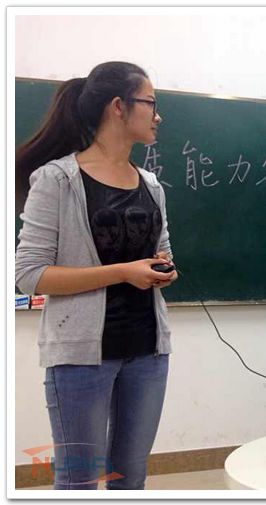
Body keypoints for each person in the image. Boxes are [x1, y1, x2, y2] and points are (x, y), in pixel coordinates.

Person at [15, 62, 177, 490]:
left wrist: (163, 270)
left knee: (131, 479)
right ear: (118, 107)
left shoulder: (151, 185)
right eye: (151, 103)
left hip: (148, 351)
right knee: (79, 483)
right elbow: (29, 274)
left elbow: (163, 251)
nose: (158, 115)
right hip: (80, 357)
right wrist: (124, 272)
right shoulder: (57, 180)